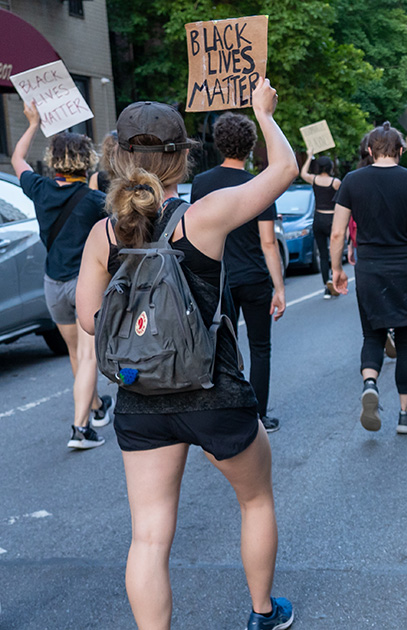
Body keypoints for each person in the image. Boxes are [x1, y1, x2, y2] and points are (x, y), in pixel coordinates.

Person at [74, 80, 298, 629]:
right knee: (255, 499)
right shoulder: (203, 215)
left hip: (140, 397)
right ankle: (263, 613)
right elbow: (284, 170)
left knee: (148, 535)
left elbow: (88, 320)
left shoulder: (104, 234)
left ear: (120, 157)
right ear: (180, 159)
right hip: (212, 389)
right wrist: (263, 115)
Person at [329, 123, 407, 435]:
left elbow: (337, 232)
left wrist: (336, 270)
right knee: (406, 345)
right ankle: (405, 414)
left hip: (369, 270)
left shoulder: (352, 181)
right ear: (401, 151)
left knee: (372, 336)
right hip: (405, 269)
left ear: (369, 150)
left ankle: (370, 382)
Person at [12, 102, 113, 450]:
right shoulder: (94, 199)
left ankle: (97, 406)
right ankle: (80, 428)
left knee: (76, 355)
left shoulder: (39, 189)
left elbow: (17, 161)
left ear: (54, 160)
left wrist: (33, 123)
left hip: (52, 285)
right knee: (89, 357)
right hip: (84, 286)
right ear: (86, 161)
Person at [190, 112, 287, 432]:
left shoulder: (201, 184)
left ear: (218, 144)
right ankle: (258, 416)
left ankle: (223, 411)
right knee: (261, 348)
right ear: (251, 146)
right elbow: (269, 242)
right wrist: (279, 288)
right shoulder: (260, 185)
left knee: (218, 347)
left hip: (215, 279)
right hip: (254, 276)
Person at [300, 154, 341, 298]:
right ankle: (336, 280)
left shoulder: (314, 180)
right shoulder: (336, 183)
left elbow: (303, 173)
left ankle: (326, 286)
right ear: (330, 167)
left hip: (318, 219)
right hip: (332, 219)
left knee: (323, 254)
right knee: (335, 253)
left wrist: (309, 156)